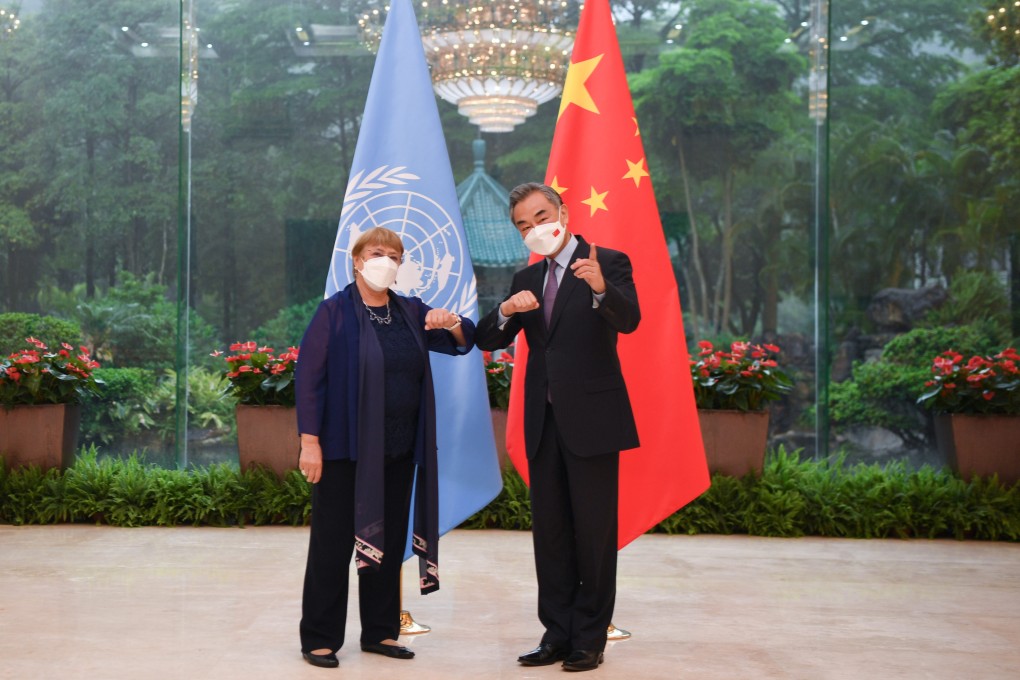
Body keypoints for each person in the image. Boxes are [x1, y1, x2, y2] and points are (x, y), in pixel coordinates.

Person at [475, 182, 640, 672]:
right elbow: (488, 337)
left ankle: (590, 638)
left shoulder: (606, 261)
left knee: (593, 534)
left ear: (563, 211)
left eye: (541, 216)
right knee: (550, 534)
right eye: (524, 225)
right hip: (542, 423)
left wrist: (599, 289)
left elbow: (630, 321)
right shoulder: (525, 276)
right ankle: (556, 634)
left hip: (593, 421)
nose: (535, 229)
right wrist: (506, 310)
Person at [295, 226, 475, 669]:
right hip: (343, 450)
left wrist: (449, 321)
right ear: (357, 260)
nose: (386, 261)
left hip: (398, 450)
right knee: (333, 545)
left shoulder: (411, 311)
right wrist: (309, 443)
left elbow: (465, 340)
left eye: (395, 255)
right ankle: (319, 637)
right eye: (377, 253)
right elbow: (308, 379)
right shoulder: (334, 313)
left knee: (388, 544)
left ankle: (380, 632)